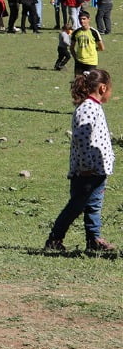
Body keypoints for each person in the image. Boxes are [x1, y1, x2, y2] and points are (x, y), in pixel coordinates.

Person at [45, 68, 115, 254]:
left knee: (94, 205)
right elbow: (82, 138)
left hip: (97, 171)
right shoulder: (88, 108)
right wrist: (86, 167)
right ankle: (55, 238)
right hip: (87, 171)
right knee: (76, 206)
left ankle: (94, 239)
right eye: (109, 89)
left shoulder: (92, 107)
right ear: (102, 88)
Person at [72, 10, 104, 75]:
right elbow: (71, 47)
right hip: (79, 62)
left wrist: (93, 50)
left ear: (88, 19)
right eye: (80, 19)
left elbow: (102, 47)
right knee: (78, 83)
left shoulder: (94, 32)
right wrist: (76, 58)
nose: (82, 21)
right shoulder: (76, 32)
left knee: (90, 83)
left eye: (84, 19)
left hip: (91, 62)